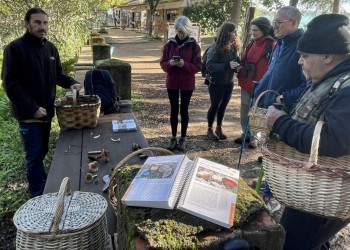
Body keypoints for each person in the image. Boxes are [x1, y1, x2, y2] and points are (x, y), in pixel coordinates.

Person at [266, 13, 350, 249]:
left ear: (327, 56)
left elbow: (333, 141)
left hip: (328, 194)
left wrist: (281, 123)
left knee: (292, 243)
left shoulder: (347, 88)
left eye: (304, 56)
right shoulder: (332, 78)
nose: (300, 62)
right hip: (317, 187)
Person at [1, 7, 82, 197]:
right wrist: (32, 108)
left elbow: (58, 74)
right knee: (34, 156)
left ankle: (41, 185)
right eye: (37, 22)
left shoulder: (50, 48)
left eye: (45, 22)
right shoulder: (15, 48)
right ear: (27, 24)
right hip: (29, 116)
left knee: (42, 151)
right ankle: (38, 195)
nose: (42, 27)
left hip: (47, 114)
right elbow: (10, 85)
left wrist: (73, 83)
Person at [252, 6, 307, 212]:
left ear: (293, 23)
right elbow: (272, 73)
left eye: (279, 22)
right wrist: (258, 89)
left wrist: (283, 98)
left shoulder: (302, 46)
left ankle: (271, 196)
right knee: (268, 150)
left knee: (281, 155)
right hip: (269, 108)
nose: (273, 26)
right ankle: (267, 191)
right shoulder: (278, 44)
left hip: (287, 112)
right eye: (274, 21)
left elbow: (307, 85)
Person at [160, 16, 201, 151]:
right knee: (173, 110)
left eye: (182, 31)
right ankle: (173, 137)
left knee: (184, 110)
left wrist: (184, 65)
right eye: (178, 31)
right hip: (172, 82)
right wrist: (170, 64)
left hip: (187, 83)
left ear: (188, 30)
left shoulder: (194, 46)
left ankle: (182, 138)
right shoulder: (169, 44)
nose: (180, 34)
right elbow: (163, 64)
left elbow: (197, 66)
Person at [235, 17, 276, 148]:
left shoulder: (272, 45)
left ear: (264, 30)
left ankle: (255, 136)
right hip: (246, 82)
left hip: (260, 84)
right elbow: (244, 60)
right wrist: (238, 66)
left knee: (256, 110)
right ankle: (245, 133)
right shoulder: (251, 44)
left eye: (256, 30)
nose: (253, 32)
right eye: (252, 30)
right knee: (245, 108)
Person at [205, 22, 240, 141]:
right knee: (214, 106)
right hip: (216, 83)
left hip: (229, 82)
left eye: (236, 32)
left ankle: (218, 128)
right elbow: (209, 66)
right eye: (234, 32)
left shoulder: (234, 47)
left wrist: (237, 67)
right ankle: (209, 129)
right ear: (227, 33)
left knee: (223, 106)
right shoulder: (215, 48)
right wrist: (227, 65)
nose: (236, 34)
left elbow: (236, 62)